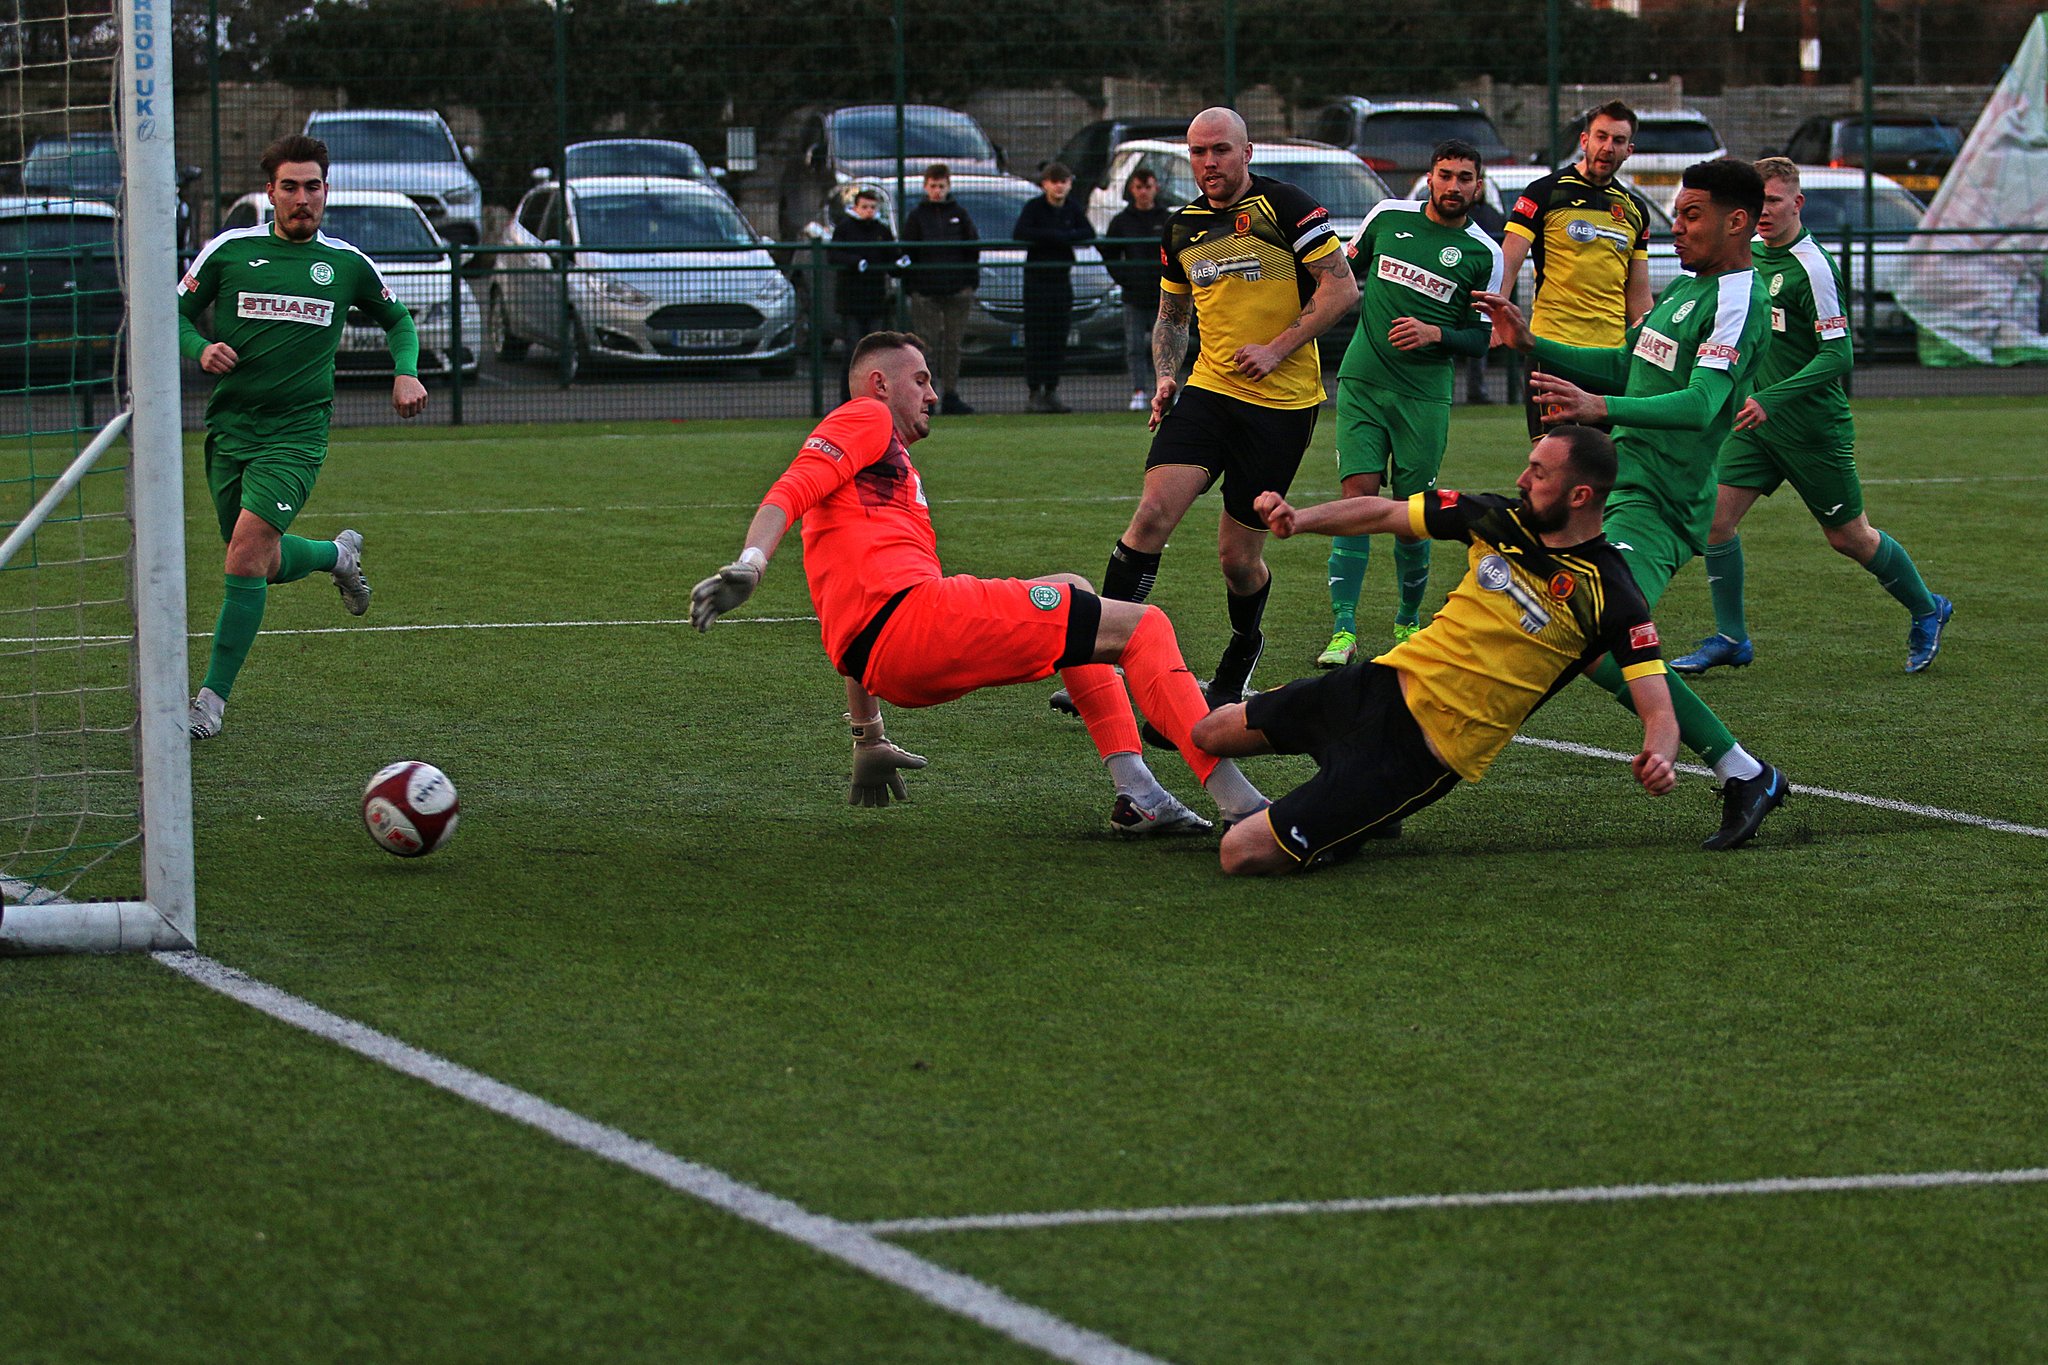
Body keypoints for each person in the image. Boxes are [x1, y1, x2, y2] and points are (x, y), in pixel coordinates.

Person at [689, 331, 1270, 835]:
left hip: (888, 657)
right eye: (920, 380)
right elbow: (789, 488)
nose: (933, 395)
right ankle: (1241, 805)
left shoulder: (862, 489)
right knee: (1147, 626)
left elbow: (855, 614)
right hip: (919, 624)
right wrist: (753, 561)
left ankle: (1139, 795)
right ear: (879, 384)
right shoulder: (864, 415)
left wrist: (867, 736)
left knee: (1077, 595)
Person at [1478, 158, 1790, 851]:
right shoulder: (1687, 293)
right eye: (1675, 215)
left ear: (1736, 222)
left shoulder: (1738, 298)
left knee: (1592, 637)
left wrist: (1600, 407)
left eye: (1691, 216)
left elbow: (1704, 402)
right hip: (1623, 489)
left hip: (1659, 504)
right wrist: (1532, 341)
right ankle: (1744, 771)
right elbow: (1627, 360)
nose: (1675, 228)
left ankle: (1744, 771)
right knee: (1558, 621)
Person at [1196, 426, 1679, 874]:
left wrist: (1659, 755)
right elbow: (1385, 511)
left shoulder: (1613, 594)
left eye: (1538, 472)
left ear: (1580, 495)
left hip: (1419, 752)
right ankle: (1341, 811)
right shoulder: (1497, 517)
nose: (1522, 479)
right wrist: (1299, 520)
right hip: (1377, 686)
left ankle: (1339, 824)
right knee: (1209, 733)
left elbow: (1659, 710)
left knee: (1239, 853)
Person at [1057, 107, 1358, 719]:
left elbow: (1342, 287)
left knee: (1237, 559)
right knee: (1149, 518)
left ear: (1247, 154)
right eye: (1197, 153)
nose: (1208, 163)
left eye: (1220, 150)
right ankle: (1100, 663)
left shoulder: (1287, 208)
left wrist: (1277, 349)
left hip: (1280, 406)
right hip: (1208, 394)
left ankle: (1241, 653)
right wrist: (1167, 375)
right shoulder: (1183, 227)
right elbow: (1172, 316)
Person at [175, 133, 427, 740]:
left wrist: (406, 371)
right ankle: (337, 557)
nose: (302, 198)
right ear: (270, 192)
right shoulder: (231, 250)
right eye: (290, 186)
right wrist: (199, 347)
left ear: (325, 191)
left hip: (297, 435)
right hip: (231, 428)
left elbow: (397, 318)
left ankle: (210, 701)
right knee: (255, 564)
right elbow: (172, 313)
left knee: (245, 553)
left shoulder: (345, 263)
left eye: (312, 186)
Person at [1672, 158, 1952, 676]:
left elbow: (1838, 355)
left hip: (1810, 428)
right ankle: (1732, 637)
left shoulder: (1814, 267)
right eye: (1758, 204)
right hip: (1754, 426)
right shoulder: (1748, 256)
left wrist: (1771, 398)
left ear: (1796, 204)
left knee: (1849, 537)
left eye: (1774, 202)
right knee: (1715, 523)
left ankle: (1927, 607)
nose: (1764, 214)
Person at [1318, 139, 1504, 670]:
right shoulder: (1386, 217)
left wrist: (1433, 333)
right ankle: (1343, 628)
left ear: (1478, 185)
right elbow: (1341, 276)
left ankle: (1406, 620)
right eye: (1445, 174)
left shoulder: (1482, 253)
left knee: (1409, 513)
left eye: (1465, 177)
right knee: (1357, 499)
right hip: (1362, 381)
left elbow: (1481, 338)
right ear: (1430, 176)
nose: (1453, 186)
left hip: (1423, 397)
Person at [1500, 100, 1654, 440]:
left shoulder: (1634, 209)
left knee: (1605, 461)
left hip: (1611, 355)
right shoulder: (1545, 192)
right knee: (1554, 457)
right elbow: (1508, 260)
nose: (1607, 147)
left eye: (1617, 141)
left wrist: (1650, 344)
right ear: (1584, 140)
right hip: (1552, 348)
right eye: (1601, 137)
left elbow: (1638, 292)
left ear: (1629, 150)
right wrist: (1494, 317)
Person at [1012, 161, 1095, 413]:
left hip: (1061, 282)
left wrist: (1061, 237)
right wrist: (1055, 236)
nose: (1059, 187)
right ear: (1044, 184)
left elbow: (1087, 233)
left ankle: (1051, 389)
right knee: (1037, 337)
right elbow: (1021, 232)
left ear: (1070, 184)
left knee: (1058, 337)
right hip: (1037, 284)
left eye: (1064, 181)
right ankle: (1034, 391)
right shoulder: (1034, 208)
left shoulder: (1072, 208)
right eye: (1054, 182)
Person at [901, 163, 980, 416]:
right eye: (933, 186)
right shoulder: (916, 216)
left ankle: (951, 394)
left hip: (957, 290)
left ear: (948, 186)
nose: (937, 191)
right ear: (926, 187)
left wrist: (968, 283)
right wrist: (915, 287)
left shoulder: (960, 214)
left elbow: (972, 248)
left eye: (941, 186)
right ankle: (927, 396)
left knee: (953, 345)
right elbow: (907, 252)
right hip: (926, 292)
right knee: (926, 347)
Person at [1104, 166, 1173, 412]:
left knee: (1166, 345)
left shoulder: (1166, 218)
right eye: (1139, 187)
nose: (1144, 192)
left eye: (1148, 187)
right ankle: (1138, 391)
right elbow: (1109, 253)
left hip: (1163, 295)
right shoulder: (1122, 221)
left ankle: (1165, 390)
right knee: (1134, 346)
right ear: (1132, 190)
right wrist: (1125, 278)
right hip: (1134, 295)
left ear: (1155, 188)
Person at [831, 188, 898, 348]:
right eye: (865, 207)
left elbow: (891, 257)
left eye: (872, 207)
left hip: (875, 298)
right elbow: (834, 255)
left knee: (874, 347)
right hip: (850, 299)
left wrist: (899, 263)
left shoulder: (882, 230)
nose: (869, 211)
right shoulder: (844, 229)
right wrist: (856, 262)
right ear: (855, 208)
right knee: (854, 346)